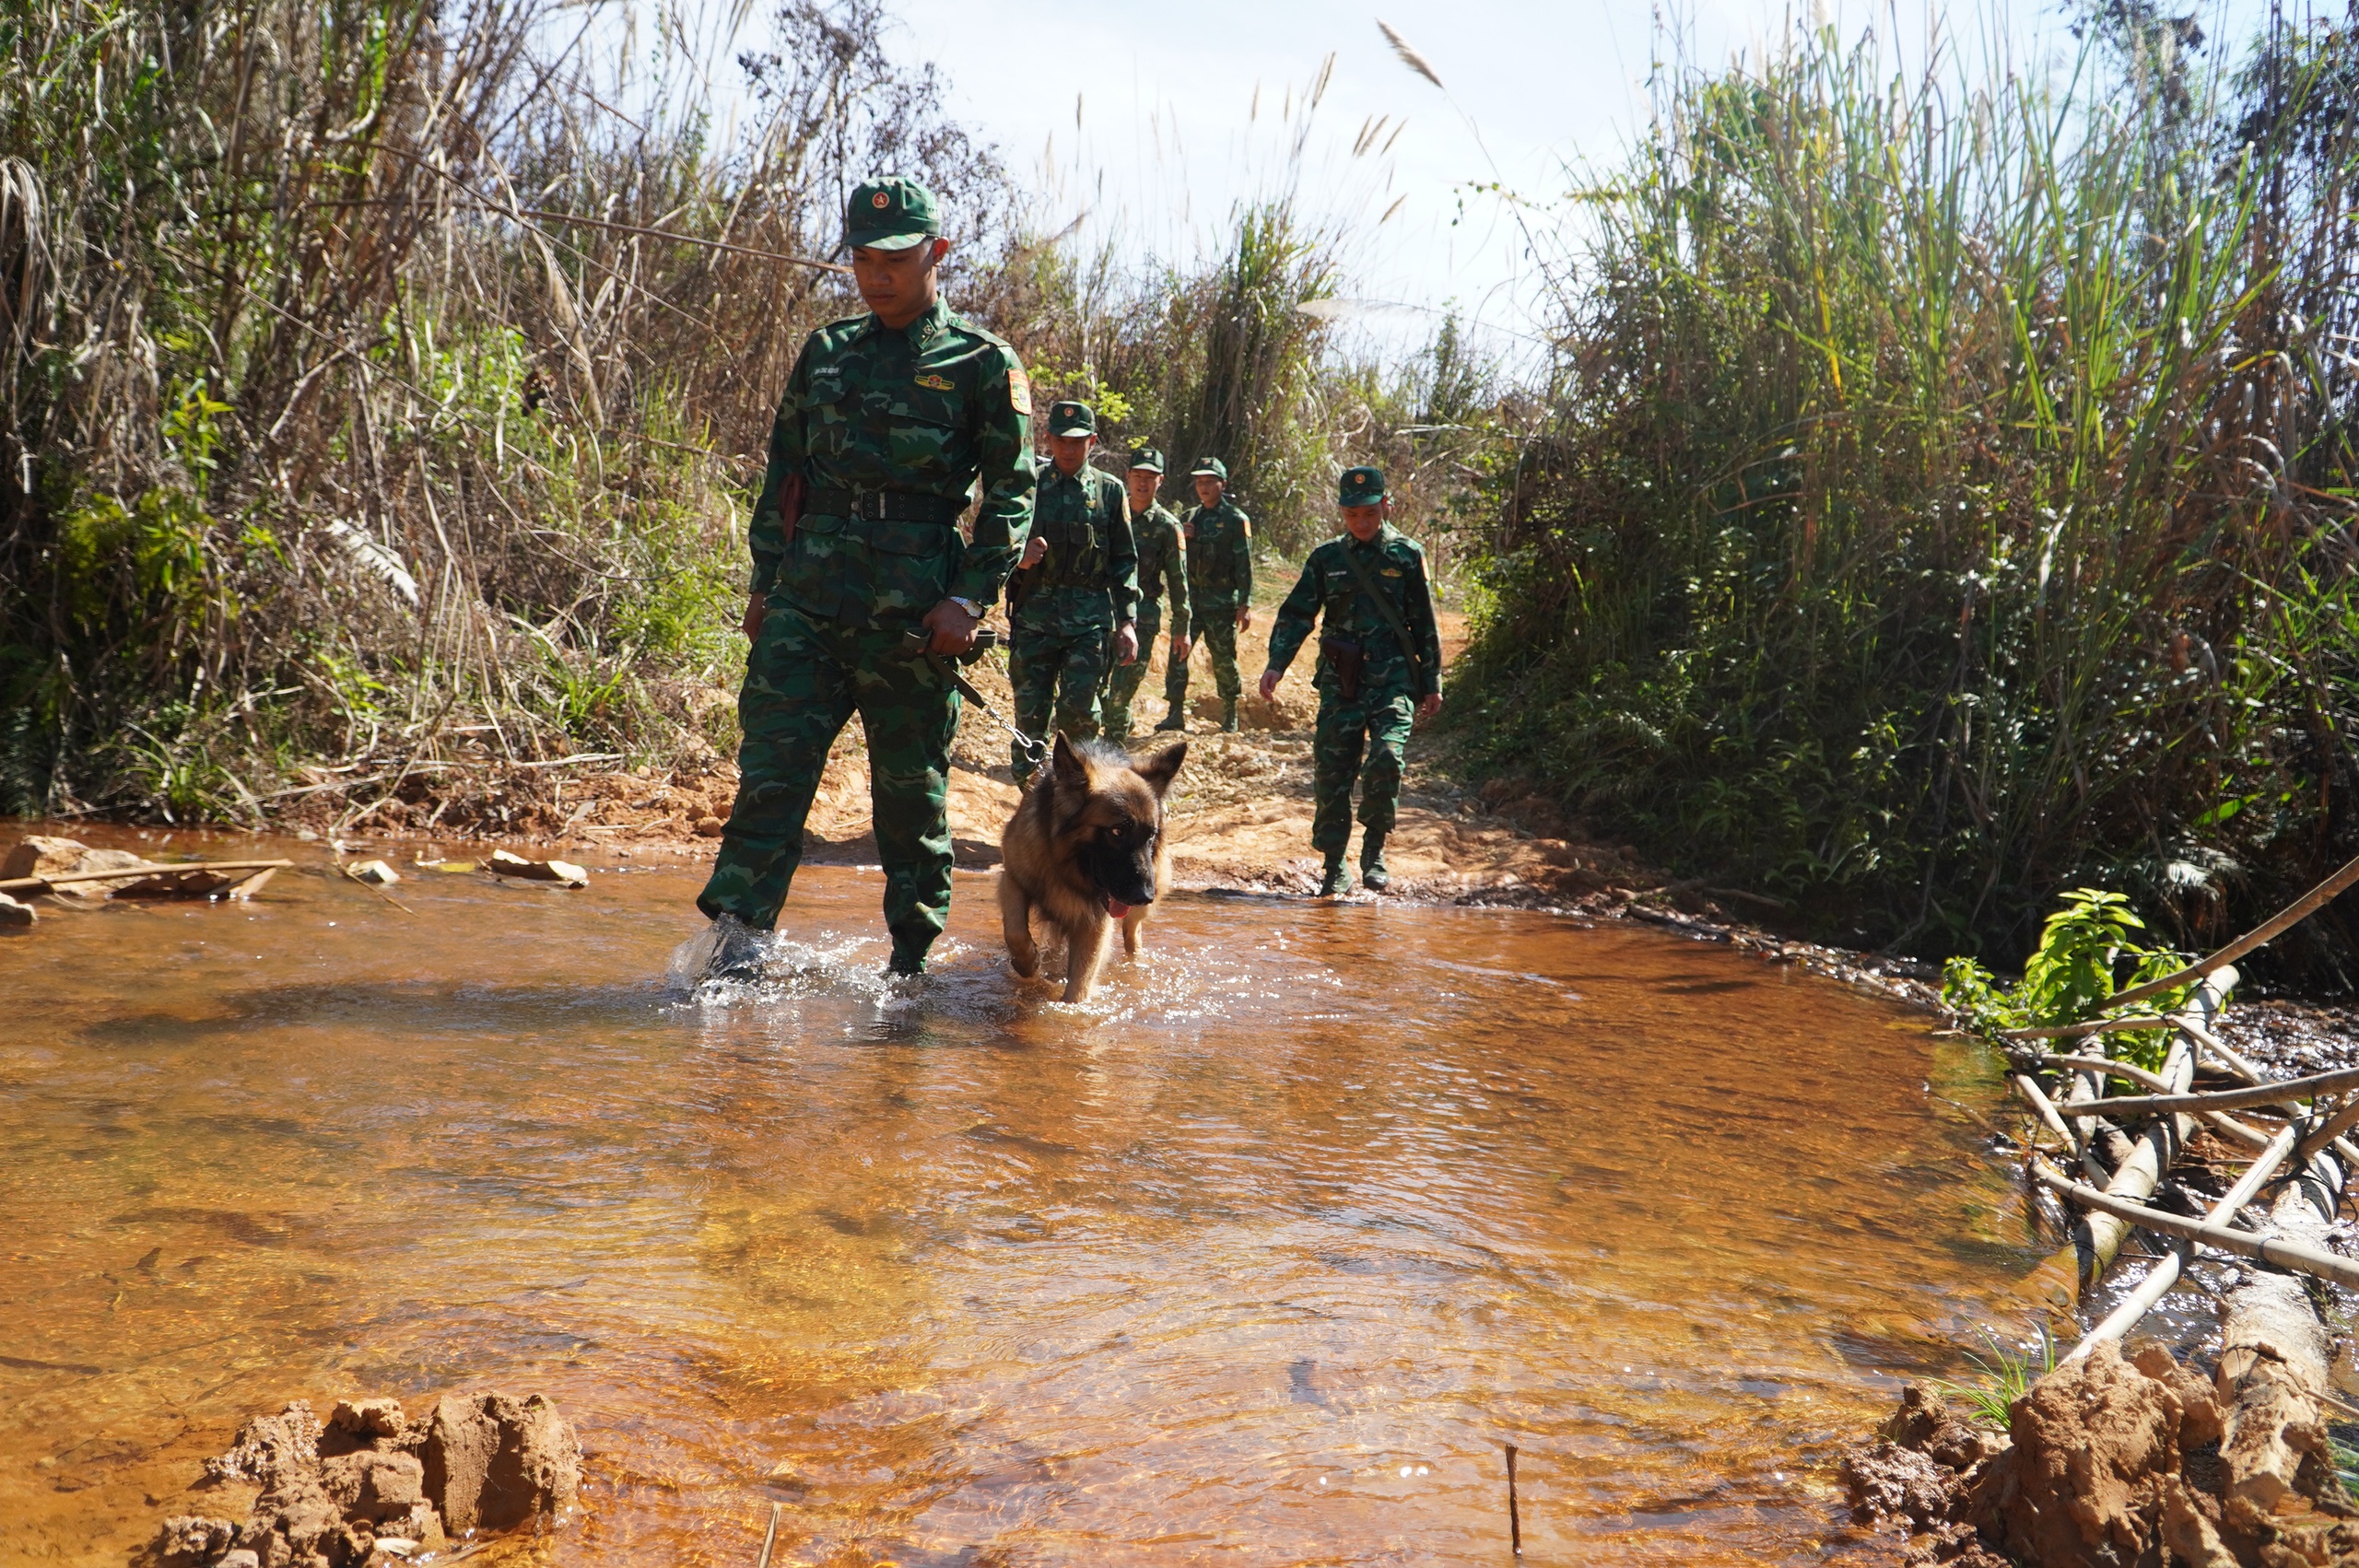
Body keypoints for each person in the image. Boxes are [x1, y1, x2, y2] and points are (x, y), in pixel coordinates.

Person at [697, 176, 1034, 978]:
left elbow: (1012, 492)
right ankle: (735, 957)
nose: (876, 273)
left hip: (913, 626)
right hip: (806, 606)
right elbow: (786, 471)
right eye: (861, 257)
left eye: (895, 257)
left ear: (936, 254)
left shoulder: (982, 364)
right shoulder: (826, 353)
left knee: (909, 803)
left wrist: (968, 597)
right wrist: (764, 584)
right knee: (769, 784)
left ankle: (911, 971)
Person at [1259, 465, 1444, 896]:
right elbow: (1297, 614)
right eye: (1352, 515)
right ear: (1342, 512)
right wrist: (1277, 663)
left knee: (1387, 757)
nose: (1361, 523)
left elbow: (1424, 622)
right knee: (1333, 773)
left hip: (1394, 678)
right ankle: (1334, 864)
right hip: (1341, 681)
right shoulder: (1327, 558)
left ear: (1386, 506)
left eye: (1369, 514)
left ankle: (1374, 850)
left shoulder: (1406, 554)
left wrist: (1431, 681)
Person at [1004, 401, 1139, 787]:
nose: (1068, 448)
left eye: (1077, 441)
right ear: (1047, 439)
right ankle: (1033, 803)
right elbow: (997, 541)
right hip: (1035, 619)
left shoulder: (1110, 492)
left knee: (1079, 713)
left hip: (1089, 622)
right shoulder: (1027, 486)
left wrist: (1127, 622)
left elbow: (1124, 560)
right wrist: (1019, 557)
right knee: (1030, 714)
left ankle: (1079, 799)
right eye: (1061, 440)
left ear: (1092, 442)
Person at [1098, 447, 1191, 743]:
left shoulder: (1167, 526)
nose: (1142, 483)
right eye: (1137, 475)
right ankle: (1116, 728)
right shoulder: (1108, 513)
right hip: (1101, 612)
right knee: (1094, 690)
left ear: (1160, 481)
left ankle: (1113, 749)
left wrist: (1181, 629)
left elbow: (1179, 583)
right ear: (1127, 476)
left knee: (1119, 693)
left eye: (1150, 477)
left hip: (1143, 620)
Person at [1164, 456, 1253, 732]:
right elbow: (1173, 558)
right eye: (1199, 482)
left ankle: (1231, 714)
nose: (1203, 487)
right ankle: (1175, 712)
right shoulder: (1189, 518)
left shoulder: (1235, 520)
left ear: (1222, 484)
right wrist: (1182, 536)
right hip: (1190, 604)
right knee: (1178, 655)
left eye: (1209, 482)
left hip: (1221, 604)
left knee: (1224, 659)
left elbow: (1244, 565)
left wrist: (1245, 603)